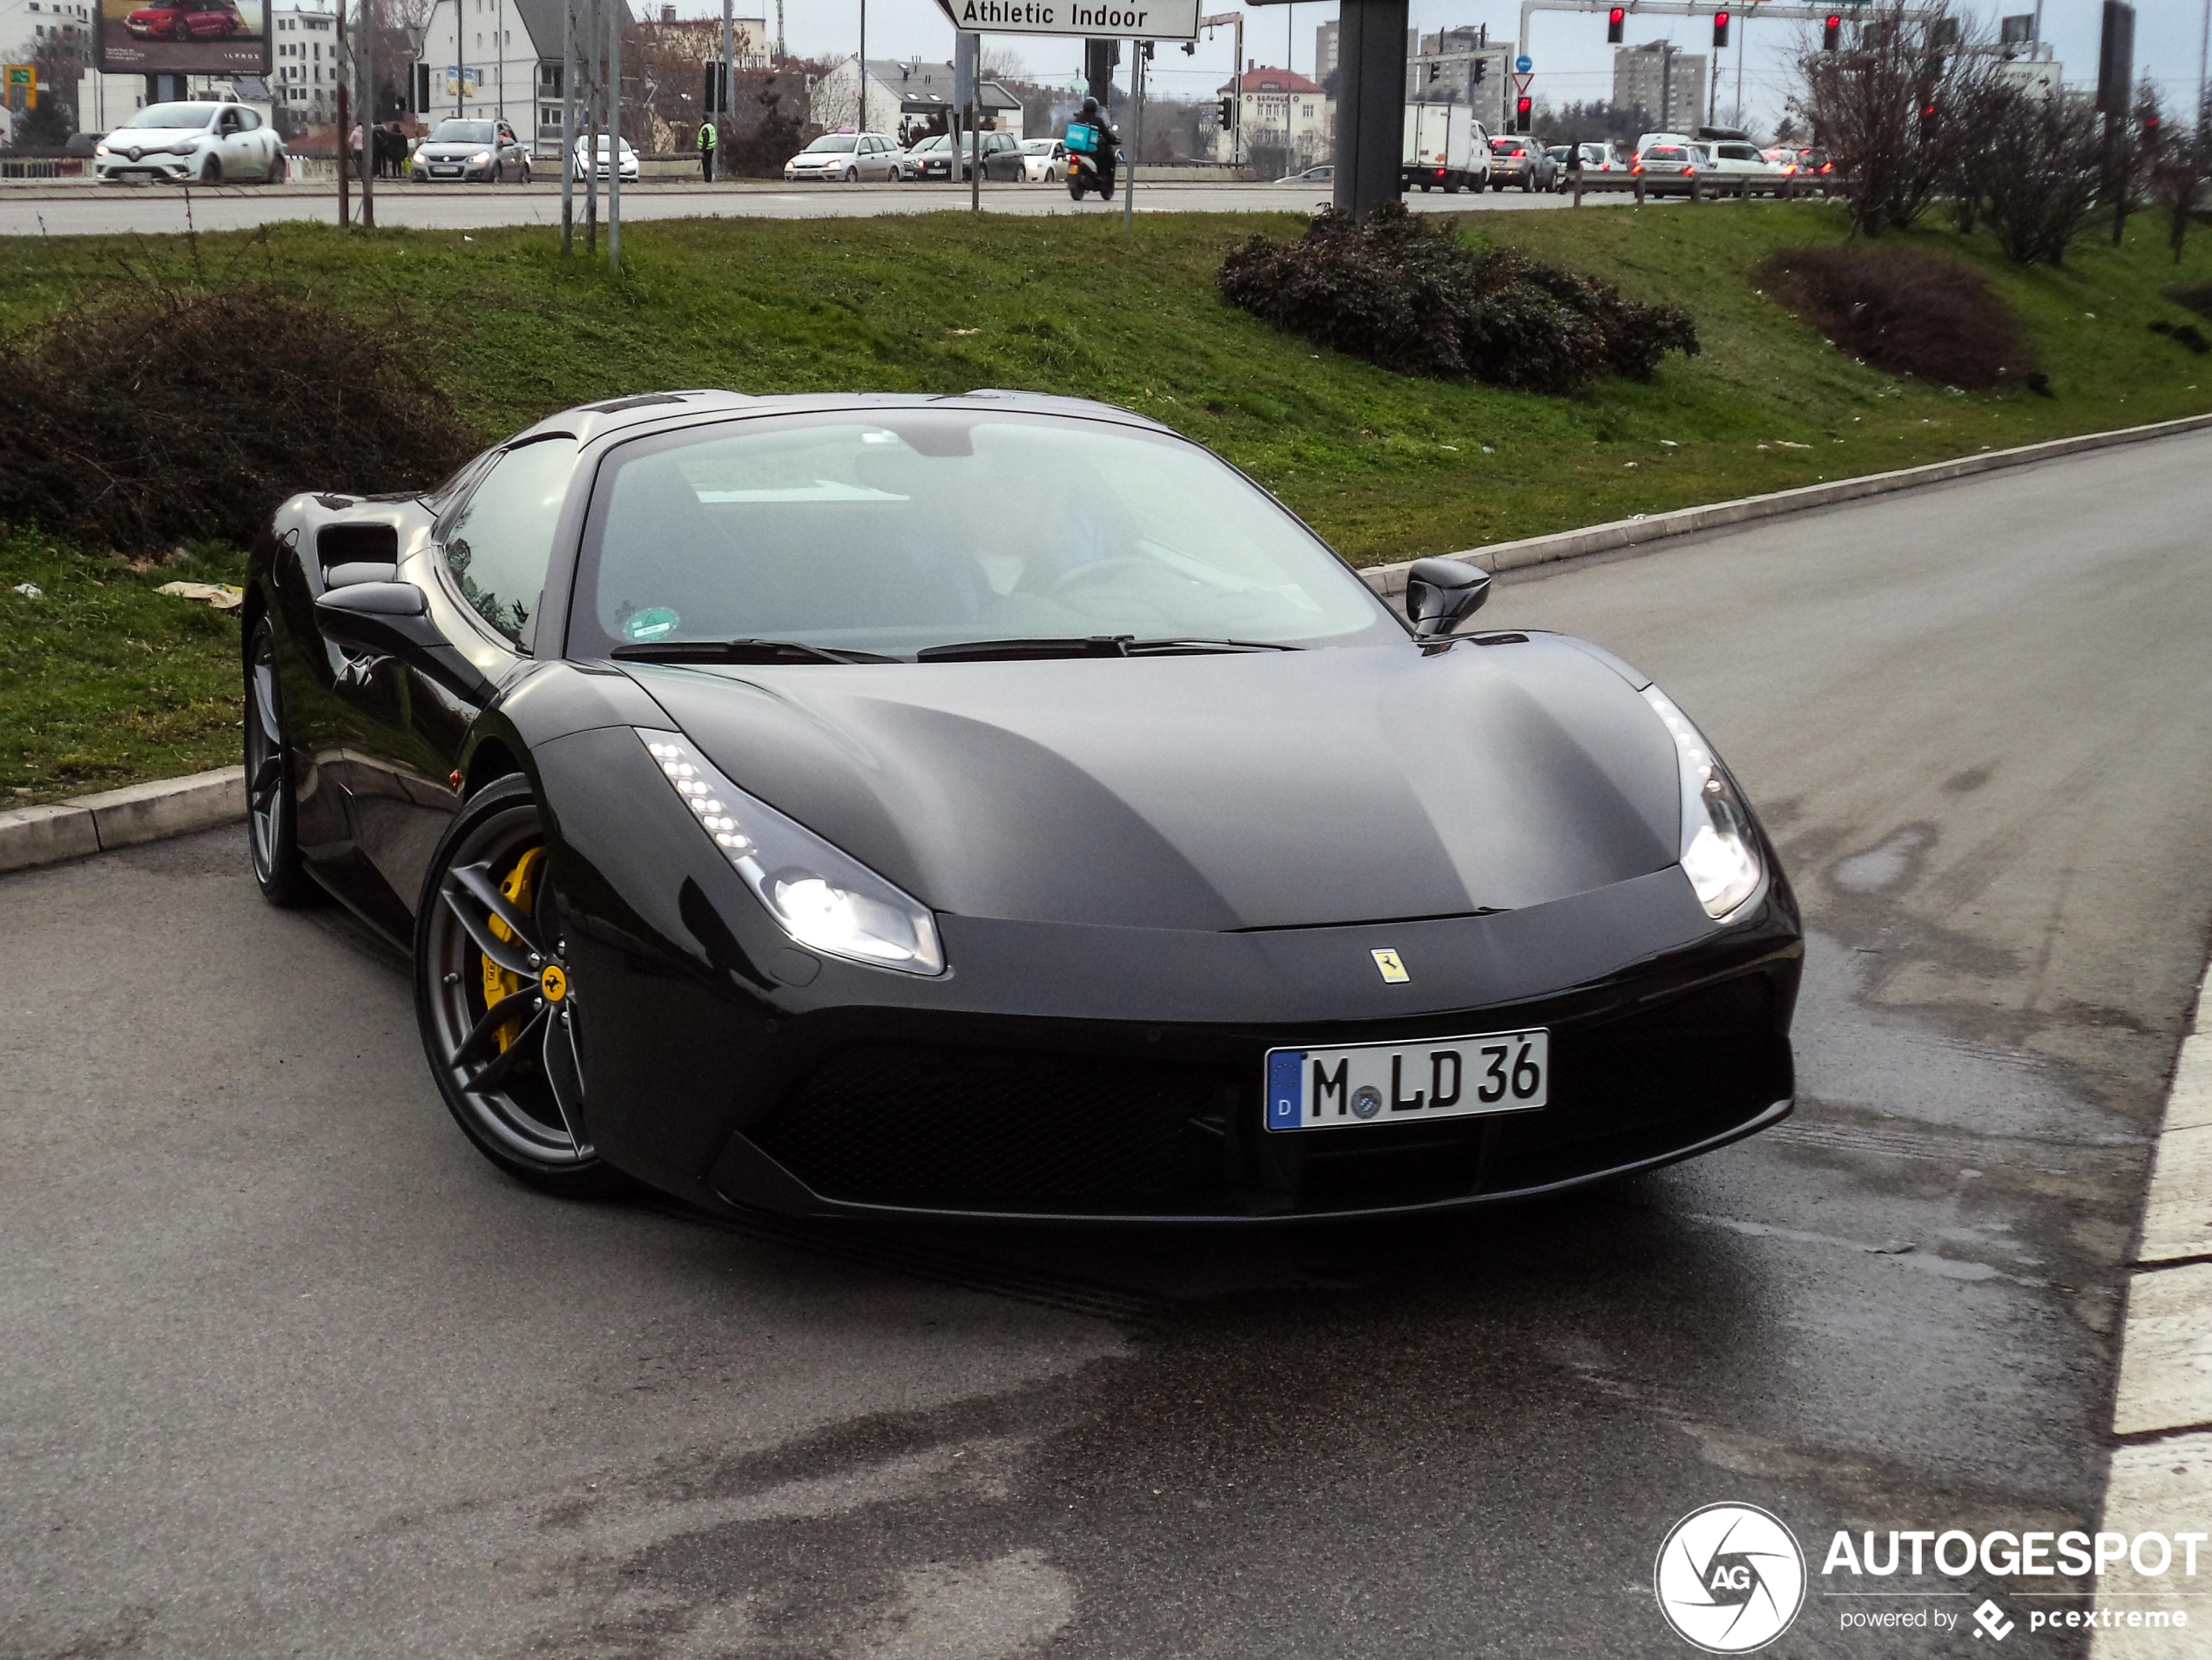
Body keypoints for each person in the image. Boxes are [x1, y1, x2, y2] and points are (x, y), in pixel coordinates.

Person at [696, 117, 717, 183]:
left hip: (706, 149)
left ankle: (707, 179)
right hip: (711, 148)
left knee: (706, 165)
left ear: (703, 120)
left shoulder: (705, 128)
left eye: (700, 120)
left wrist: (702, 150)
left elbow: (705, 140)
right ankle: (709, 178)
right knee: (708, 164)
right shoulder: (711, 126)